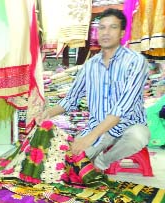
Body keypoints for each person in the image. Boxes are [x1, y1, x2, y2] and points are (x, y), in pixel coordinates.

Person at [39, 8, 150, 171]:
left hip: (129, 125)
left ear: (122, 33)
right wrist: (47, 114)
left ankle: (102, 162)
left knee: (138, 136)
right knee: (68, 167)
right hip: (97, 125)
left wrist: (91, 136)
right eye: (102, 27)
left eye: (113, 27)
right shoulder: (90, 65)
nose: (106, 32)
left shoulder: (136, 62)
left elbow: (122, 108)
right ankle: (93, 155)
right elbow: (71, 99)